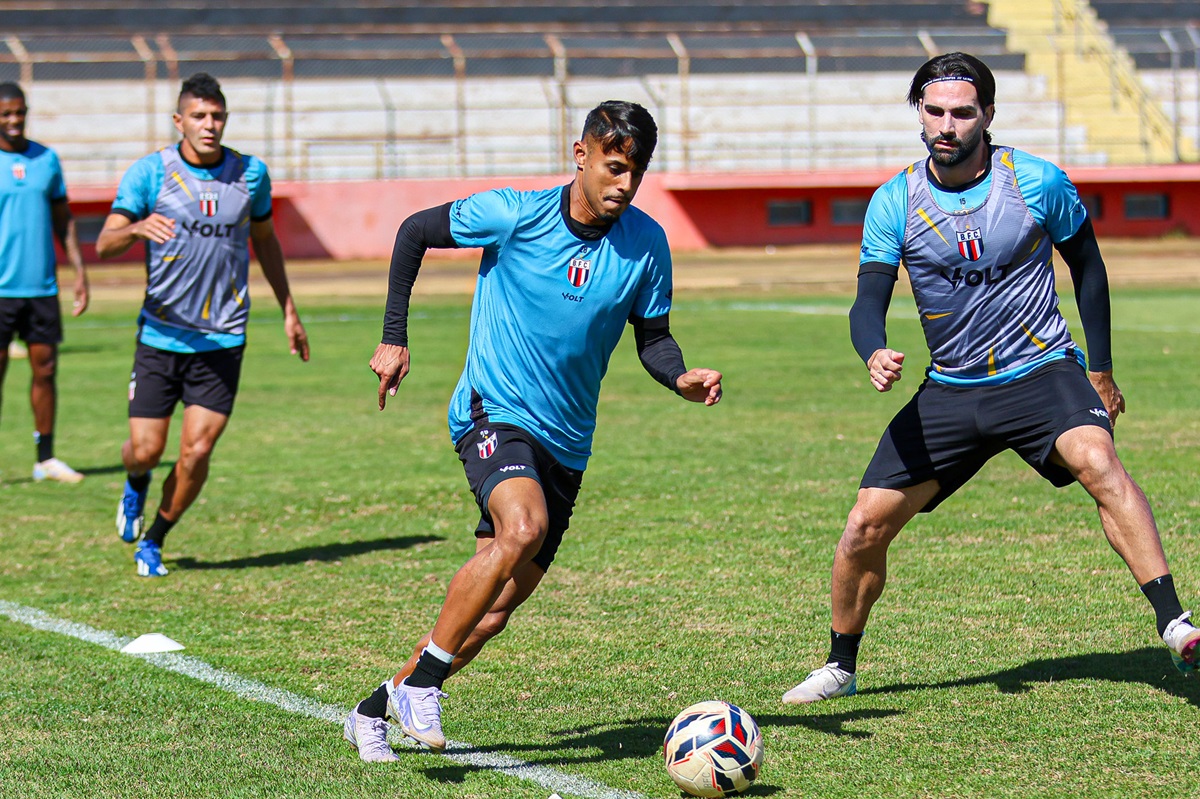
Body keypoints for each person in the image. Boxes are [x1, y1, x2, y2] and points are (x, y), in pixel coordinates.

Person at [783, 52, 1200, 705]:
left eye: (962, 112)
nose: (947, 125)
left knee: (1098, 460)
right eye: (935, 111)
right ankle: (840, 664)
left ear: (988, 116)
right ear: (919, 112)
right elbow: (867, 300)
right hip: (952, 389)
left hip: (1041, 372)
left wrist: (1101, 369)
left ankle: (1176, 624)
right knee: (865, 523)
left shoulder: (1036, 181)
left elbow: (1088, 268)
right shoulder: (896, 200)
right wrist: (873, 349)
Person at [343, 100, 723, 761]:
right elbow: (412, 232)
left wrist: (680, 375)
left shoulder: (647, 244)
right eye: (613, 167)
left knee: (490, 615)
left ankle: (377, 705)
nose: (624, 185)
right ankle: (425, 684)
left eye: (636, 173)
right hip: (494, 410)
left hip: (568, 442)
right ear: (580, 155)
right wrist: (394, 337)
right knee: (523, 527)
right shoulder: (514, 214)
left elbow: (654, 338)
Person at [96, 72, 309, 578]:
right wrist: (134, 228)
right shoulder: (150, 173)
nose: (209, 125)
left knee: (196, 451)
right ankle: (135, 482)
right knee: (146, 450)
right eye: (198, 116)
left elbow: (265, 241)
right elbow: (104, 242)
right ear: (179, 121)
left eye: (217, 116)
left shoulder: (250, 175)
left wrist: (289, 308)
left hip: (222, 338)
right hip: (160, 335)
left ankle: (153, 540)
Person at [0, 81, 89, 483]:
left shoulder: (47, 160)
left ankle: (46, 459)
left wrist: (79, 270)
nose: (14, 120)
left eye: (19, 112)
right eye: (6, 114)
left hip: (41, 287)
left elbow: (63, 218)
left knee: (46, 370)